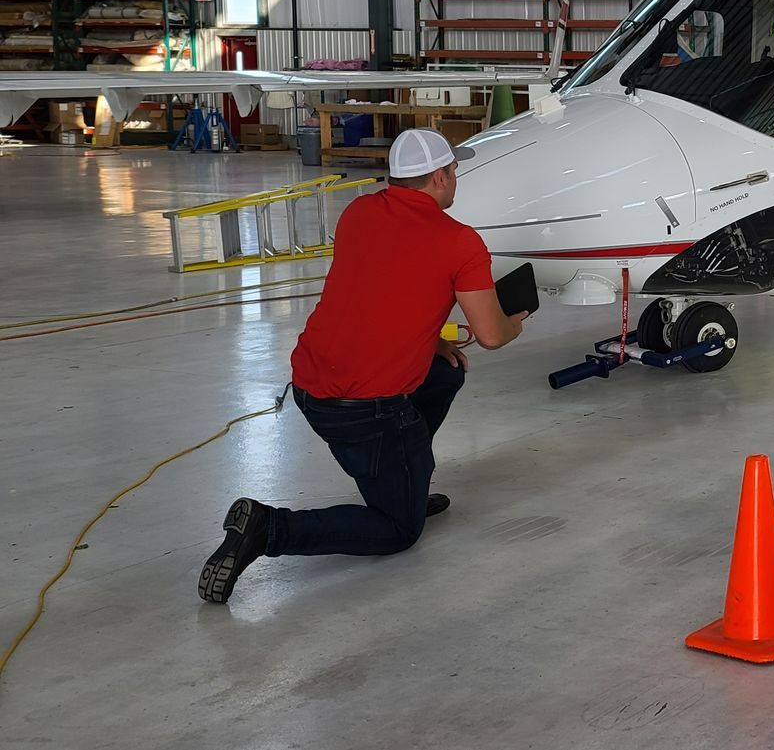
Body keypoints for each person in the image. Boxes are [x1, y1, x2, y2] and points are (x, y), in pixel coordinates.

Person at [198, 127, 528, 603]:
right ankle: (268, 527)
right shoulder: (460, 242)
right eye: (453, 170)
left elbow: (381, 292)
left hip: (310, 385)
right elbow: (493, 335)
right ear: (439, 176)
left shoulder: (358, 212)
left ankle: (405, 480)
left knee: (446, 370)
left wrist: (435, 341)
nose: (456, 177)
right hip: (363, 408)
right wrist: (516, 320)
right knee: (397, 530)